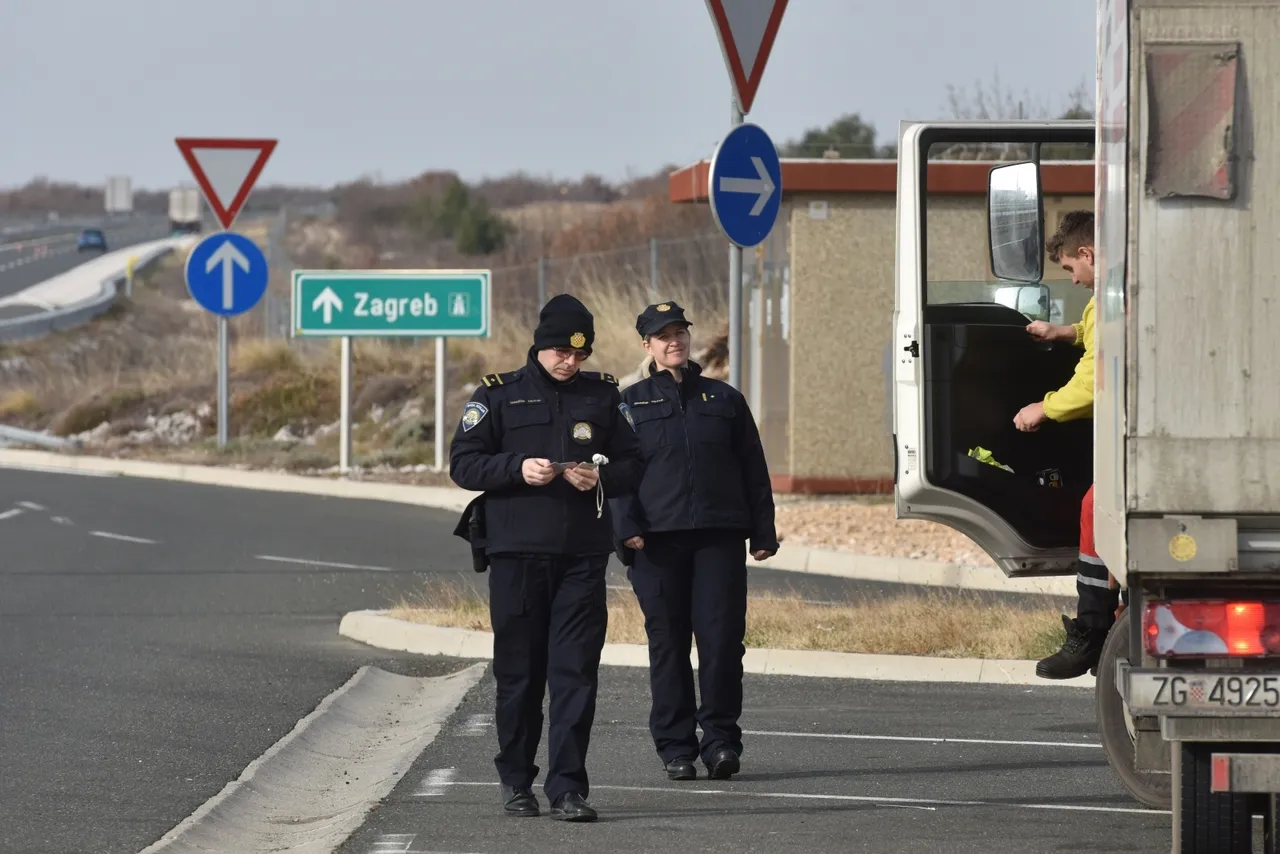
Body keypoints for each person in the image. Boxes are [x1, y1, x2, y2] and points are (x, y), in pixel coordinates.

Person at [449, 293, 644, 821]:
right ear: (540, 346)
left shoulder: (603, 397)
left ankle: (568, 788)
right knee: (520, 676)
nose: (570, 362)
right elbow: (464, 464)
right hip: (516, 557)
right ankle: (516, 781)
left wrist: (600, 475)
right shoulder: (498, 395)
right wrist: (518, 469)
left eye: (580, 354)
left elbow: (634, 463)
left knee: (576, 674)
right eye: (561, 351)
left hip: (582, 558)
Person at [610, 300, 779, 782]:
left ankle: (721, 742)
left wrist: (762, 532)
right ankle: (675, 747)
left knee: (723, 643)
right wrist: (626, 527)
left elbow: (753, 469)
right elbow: (616, 473)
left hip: (718, 539)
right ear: (647, 345)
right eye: (663, 335)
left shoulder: (723, 399)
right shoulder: (627, 403)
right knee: (668, 646)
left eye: (680, 331)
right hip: (656, 544)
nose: (674, 341)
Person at [1012, 210, 1119, 679]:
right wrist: (1064, 332)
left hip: (1129, 437)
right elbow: (1099, 338)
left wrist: (1045, 407)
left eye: (1071, 270)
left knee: (1096, 508)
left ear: (1088, 253)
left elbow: (1094, 380)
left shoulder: (1111, 299)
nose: (1074, 282)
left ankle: (1092, 631)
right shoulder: (1115, 294)